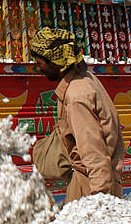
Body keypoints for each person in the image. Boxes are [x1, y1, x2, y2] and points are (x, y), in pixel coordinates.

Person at [30, 27, 124, 201]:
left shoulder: (76, 97)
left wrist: (99, 201)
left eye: (40, 63)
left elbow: (93, 153)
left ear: (54, 61)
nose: (38, 68)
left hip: (88, 188)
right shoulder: (85, 79)